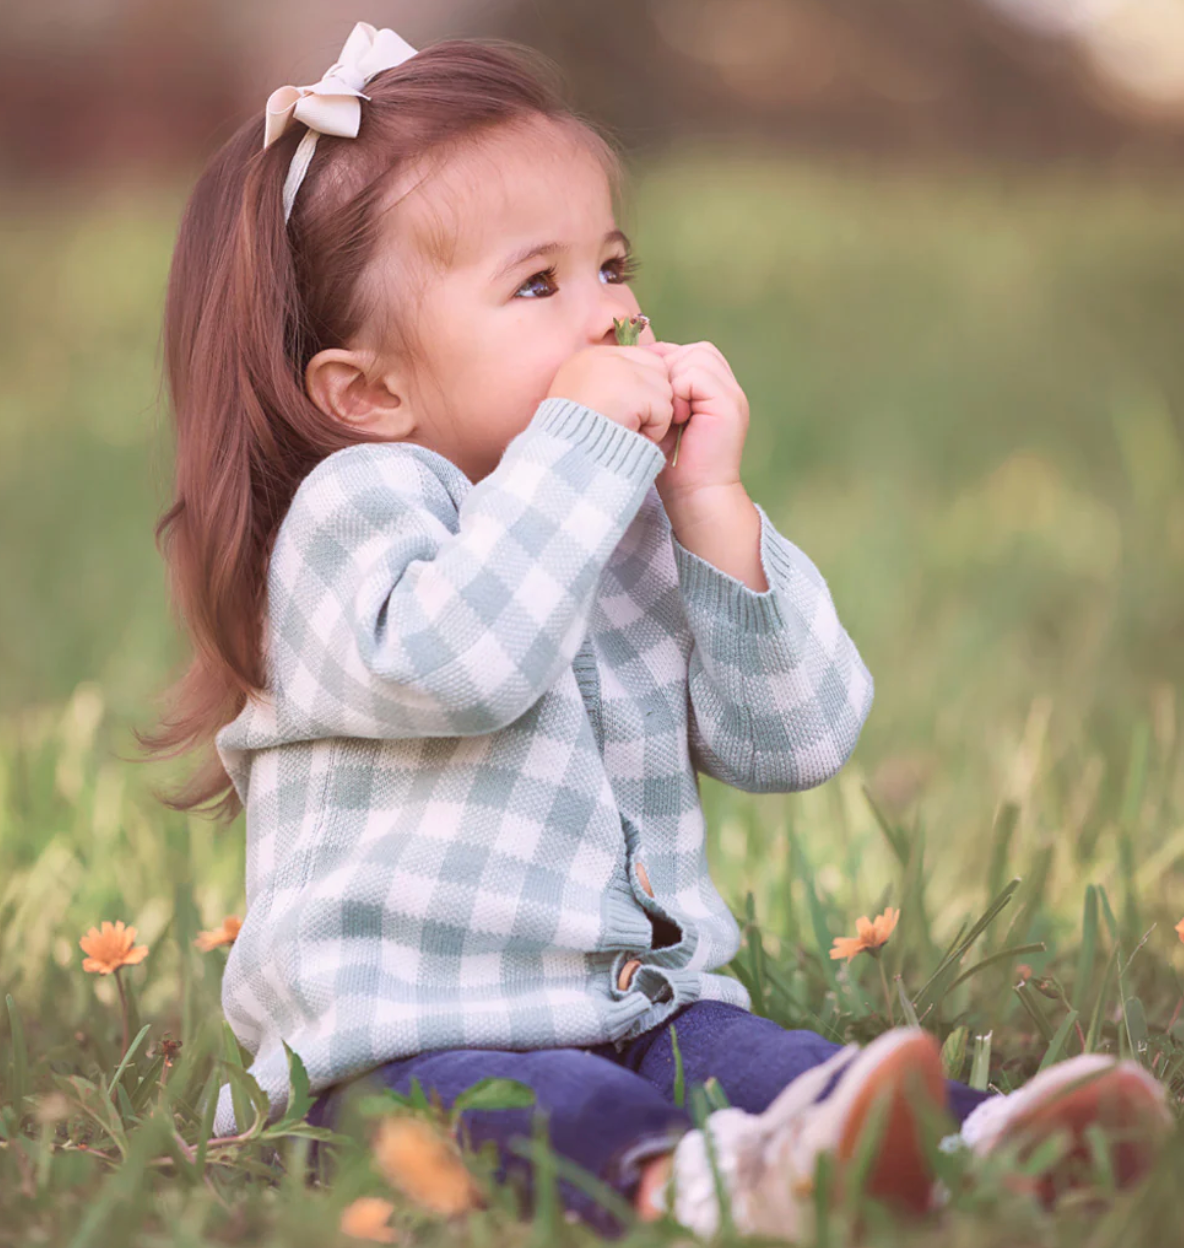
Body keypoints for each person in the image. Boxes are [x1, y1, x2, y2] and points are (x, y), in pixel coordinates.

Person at [143, 21, 1173, 1240]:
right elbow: (459, 665)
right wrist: (583, 456)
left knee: (753, 1055)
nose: (607, 320)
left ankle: (967, 1140)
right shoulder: (357, 514)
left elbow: (791, 740)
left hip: (645, 1007)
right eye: (538, 285)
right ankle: (706, 1187)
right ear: (369, 392)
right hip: (400, 1050)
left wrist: (705, 505)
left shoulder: (613, 511)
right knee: (546, 1101)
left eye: (613, 268)